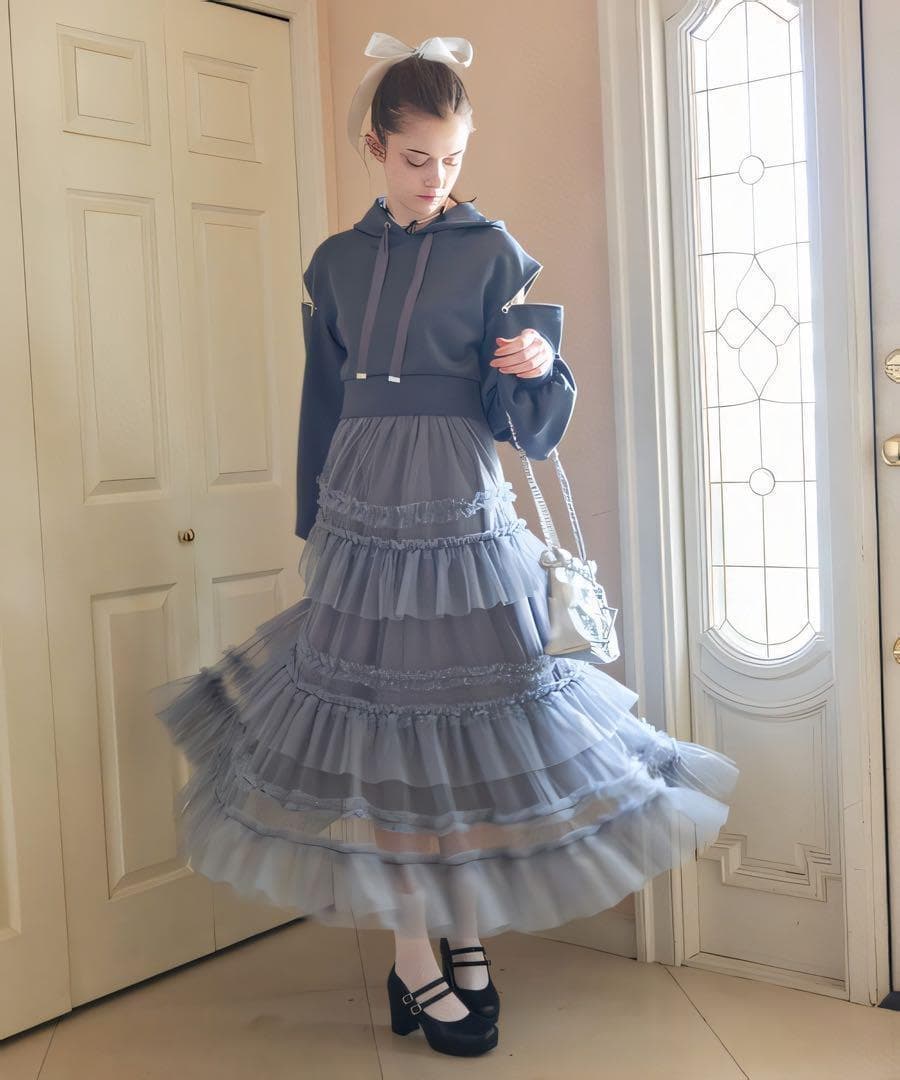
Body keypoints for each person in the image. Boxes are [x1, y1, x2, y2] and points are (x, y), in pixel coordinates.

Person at [148, 32, 740, 1060]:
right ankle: (413, 952)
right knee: (384, 733)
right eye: (417, 158)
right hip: (364, 517)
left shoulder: (493, 252)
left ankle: (463, 938)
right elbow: (322, 402)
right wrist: (317, 525)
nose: (437, 178)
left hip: (458, 512)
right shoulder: (335, 264)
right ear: (375, 147)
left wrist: (540, 362)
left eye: (454, 158)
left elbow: (526, 426)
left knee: (462, 727)